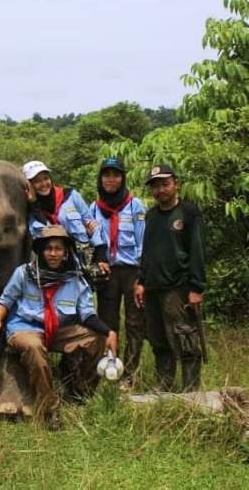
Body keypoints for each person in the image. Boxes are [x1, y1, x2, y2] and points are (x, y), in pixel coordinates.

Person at [0, 225, 117, 427]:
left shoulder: (76, 279)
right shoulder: (24, 273)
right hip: (25, 328)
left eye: (58, 249)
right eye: (48, 249)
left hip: (59, 330)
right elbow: (6, 300)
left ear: (66, 253)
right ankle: (49, 408)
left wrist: (108, 332)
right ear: (41, 251)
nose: (53, 253)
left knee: (97, 339)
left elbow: (87, 314)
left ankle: (80, 391)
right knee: (34, 348)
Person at [135, 164, 206, 391]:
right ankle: (164, 385)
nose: (160, 190)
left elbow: (197, 251)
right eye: (155, 186)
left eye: (165, 184)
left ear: (176, 184)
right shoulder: (152, 216)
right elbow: (147, 251)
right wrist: (141, 281)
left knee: (184, 337)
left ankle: (191, 389)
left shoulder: (188, 212)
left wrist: (196, 287)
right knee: (158, 341)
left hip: (179, 287)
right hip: (153, 287)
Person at [89, 157, 146, 387]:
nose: (110, 179)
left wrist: (142, 276)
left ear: (123, 178)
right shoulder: (94, 208)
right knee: (107, 321)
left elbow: (143, 243)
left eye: (115, 175)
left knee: (135, 322)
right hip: (108, 272)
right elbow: (92, 241)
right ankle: (110, 367)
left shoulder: (135, 206)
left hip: (132, 270)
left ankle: (131, 374)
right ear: (100, 179)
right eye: (106, 175)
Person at [22, 160, 109, 277]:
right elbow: (47, 233)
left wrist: (101, 256)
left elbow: (93, 225)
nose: (43, 184)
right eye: (37, 181)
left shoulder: (71, 195)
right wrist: (34, 204)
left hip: (81, 265)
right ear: (29, 186)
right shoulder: (30, 210)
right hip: (52, 269)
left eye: (45, 178)